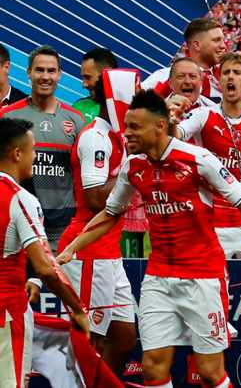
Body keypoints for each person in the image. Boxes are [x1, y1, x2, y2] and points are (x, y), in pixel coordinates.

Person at [56, 90, 241, 388]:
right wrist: (71, 249)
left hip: (202, 276)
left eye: (134, 127)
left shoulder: (199, 159)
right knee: (153, 367)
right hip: (158, 278)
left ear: (159, 126)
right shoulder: (134, 167)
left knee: (210, 371)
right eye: (126, 126)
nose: (127, 133)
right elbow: (110, 213)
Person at [57, 68, 138, 373]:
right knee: (91, 341)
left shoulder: (117, 138)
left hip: (107, 252)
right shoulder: (96, 137)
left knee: (124, 337)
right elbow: (94, 197)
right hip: (89, 251)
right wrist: (132, 172)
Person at [0, 118, 89, 388]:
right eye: (33, 149)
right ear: (17, 154)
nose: (35, 156)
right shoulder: (19, 197)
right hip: (6, 313)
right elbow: (46, 266)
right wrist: (78, 309)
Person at [173, 53, 241, 259]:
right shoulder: (205, 115)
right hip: (214, 222)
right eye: (226, 73)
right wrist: (171, 118)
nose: (230, 77)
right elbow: (176, 135)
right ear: (219, 81)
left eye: (237, 73)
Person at [0, 46, 86, 250]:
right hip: (18, 225)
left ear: (60, 75)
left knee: (58, 281)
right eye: (39, 70)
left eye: (51, 71)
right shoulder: (8, 117)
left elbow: (80, 176)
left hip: (62, 228)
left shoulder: (75, 120)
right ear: (28, 72)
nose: (45, 76)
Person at [142, 18, 226, 101]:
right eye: (216, 40)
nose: (223, 46)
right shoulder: (164, 76)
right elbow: (135, 107)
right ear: (197, 45)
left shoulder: (228, 79)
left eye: (223, 40)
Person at [73, 47, 118, 123]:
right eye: (83, 77)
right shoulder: (78, 106)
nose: (84, 84)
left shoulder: (130, 110)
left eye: (88, 77)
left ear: (107, 75)